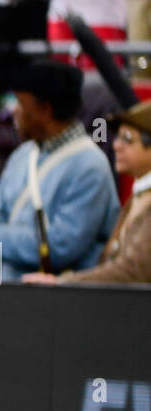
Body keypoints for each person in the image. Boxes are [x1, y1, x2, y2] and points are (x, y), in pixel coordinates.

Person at [0, 59, 120, 280]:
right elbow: (0, 215)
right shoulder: (23, 155)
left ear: (45, 109)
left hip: (63, 305)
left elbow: (61, 246)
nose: (14, 112)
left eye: (20, 103)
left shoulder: (90, 167)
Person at [25, 99, 151, 284]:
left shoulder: (145, 200)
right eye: (118, 137)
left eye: (128, 139)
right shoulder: (140, 196)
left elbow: (133, 271)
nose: (116, 145)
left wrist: (65, 283)